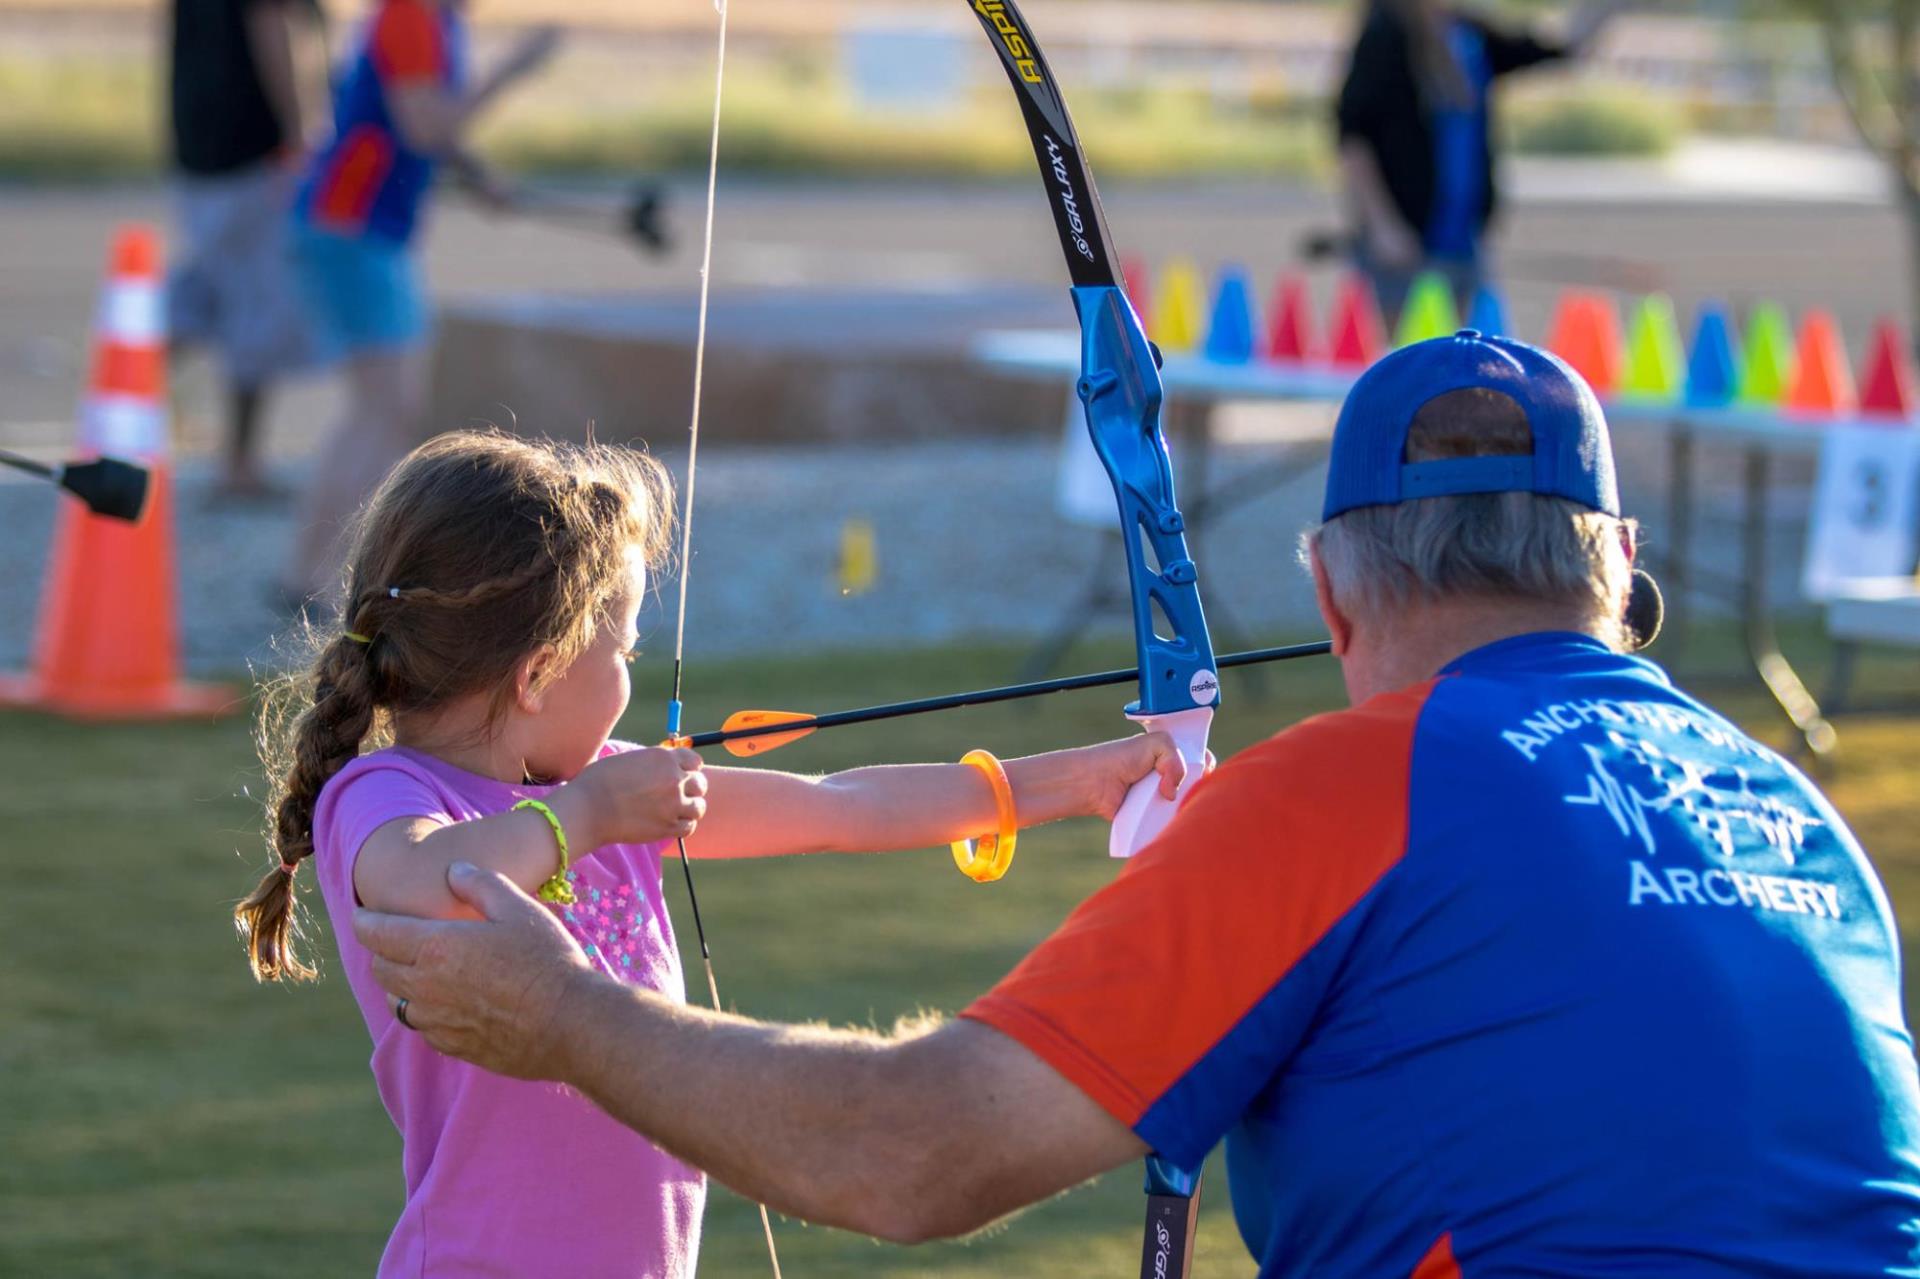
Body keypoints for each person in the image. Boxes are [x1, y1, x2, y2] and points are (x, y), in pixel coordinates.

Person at [356, 335, 1920, 1276]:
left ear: (1326, 586)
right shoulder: (1797, 814)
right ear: (1616, 572)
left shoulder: (1357, 790)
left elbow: (920, 1149)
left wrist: (567, 1013)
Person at [233, 429, 1183, 1277]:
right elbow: (423, 881)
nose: (633, 679)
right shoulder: (387, 796)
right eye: (628, 653)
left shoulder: (602, 790)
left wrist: (1081, 779)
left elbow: (840, 805)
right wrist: (592, 813)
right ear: (538, 674)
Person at [283, 0, 560, 602]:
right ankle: (315, 577)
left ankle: (319, 574)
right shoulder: (410, 13)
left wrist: (476, 174)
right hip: (352, 223)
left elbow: (423, 125)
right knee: (385, 408)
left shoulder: (437, 20)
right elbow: (424, 125)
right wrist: (512, 69)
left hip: (364, 227)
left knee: (385, 408)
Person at [1336, 0, 1624, 323]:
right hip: (1406, 242)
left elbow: (1556, 47)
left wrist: (1605, 9)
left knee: (1460, 357)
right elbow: (1353, 137)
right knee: (1406, 359)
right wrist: (1382, 226)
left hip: (1461, 241)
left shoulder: (1468, 34)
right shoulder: (1386, 33)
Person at [167, 0, 326, 499]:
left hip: (200, 145)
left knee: (214, 289)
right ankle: (239, 463)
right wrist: (301, 134)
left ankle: (120, 387)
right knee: (256, 306)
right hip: (252, 149)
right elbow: (272, 23)